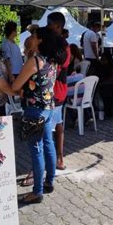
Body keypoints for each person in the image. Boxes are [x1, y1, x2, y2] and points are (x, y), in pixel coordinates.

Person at [13, 27, 66, 205]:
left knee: (36, 149)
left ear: (41, 40)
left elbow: (15, 86)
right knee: (47, 144)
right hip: (49, 107)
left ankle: (37, 192)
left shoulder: (35, 61)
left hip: (34, 110)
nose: (30, 38)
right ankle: (49, 182)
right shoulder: (53, 61)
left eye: (34, 36)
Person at [48, 12, 70, 171]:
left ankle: (49, 163)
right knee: (58, 124)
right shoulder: (60, 44)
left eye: (49, 24)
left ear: (57, 26)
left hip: (55, 91)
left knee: (48, 129)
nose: (47, 26)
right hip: (58, 92)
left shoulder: (62, 47)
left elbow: (53, 70)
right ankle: (59, 158)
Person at [98, 51, 113, 119]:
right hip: (104, 86)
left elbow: (112, 78)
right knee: (106, 94)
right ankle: (109, 111)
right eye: (102, 59)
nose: (102, 61)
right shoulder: (100, 67)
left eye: (104, 60)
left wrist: (102, 83)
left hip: (110, 85)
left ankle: (109, 111)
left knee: (109, 93)